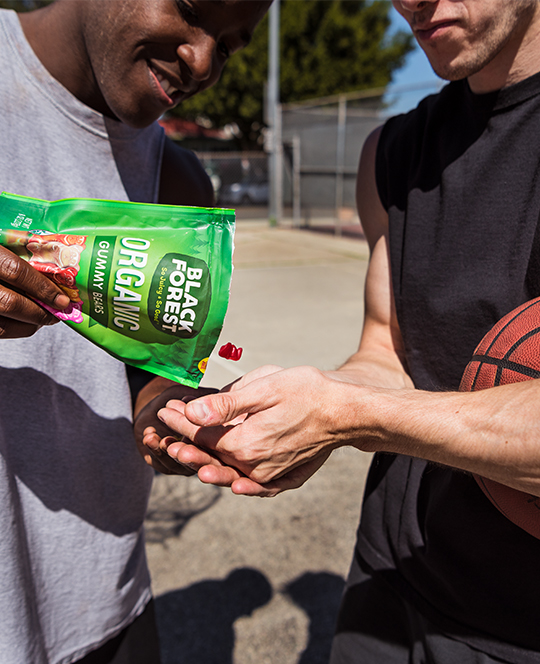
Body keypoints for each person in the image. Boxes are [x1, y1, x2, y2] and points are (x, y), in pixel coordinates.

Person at [146, 0, 540, 661]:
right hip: (390, 576)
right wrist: (298, 403)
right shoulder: (392, 152)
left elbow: (367, 407)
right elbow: (386, 349)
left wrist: (348, 413)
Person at [0, 0, 270, 662]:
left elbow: (148, 372)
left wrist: (170, 415)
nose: (204, 61)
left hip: (108, 602)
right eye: (191, 8)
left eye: (231, 45)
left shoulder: (178, 182)